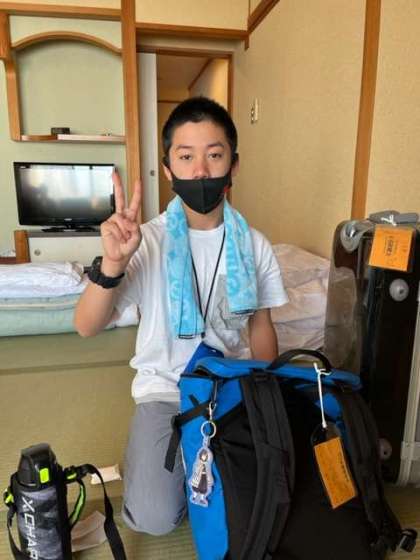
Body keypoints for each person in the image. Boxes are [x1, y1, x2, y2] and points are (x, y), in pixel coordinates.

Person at [74, 96, 288, 536]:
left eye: (215, 155)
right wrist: (113, 263)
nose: (201, 171)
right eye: (186, 157)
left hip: (228, 388)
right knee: (155, 518)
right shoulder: (146, 241)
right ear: (168, 169)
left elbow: (260, 327)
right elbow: (86, 326)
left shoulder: (255, 245)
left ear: (234, 164)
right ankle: (144, 456)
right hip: (165, 391)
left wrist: (266, 397)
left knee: (263, 496)